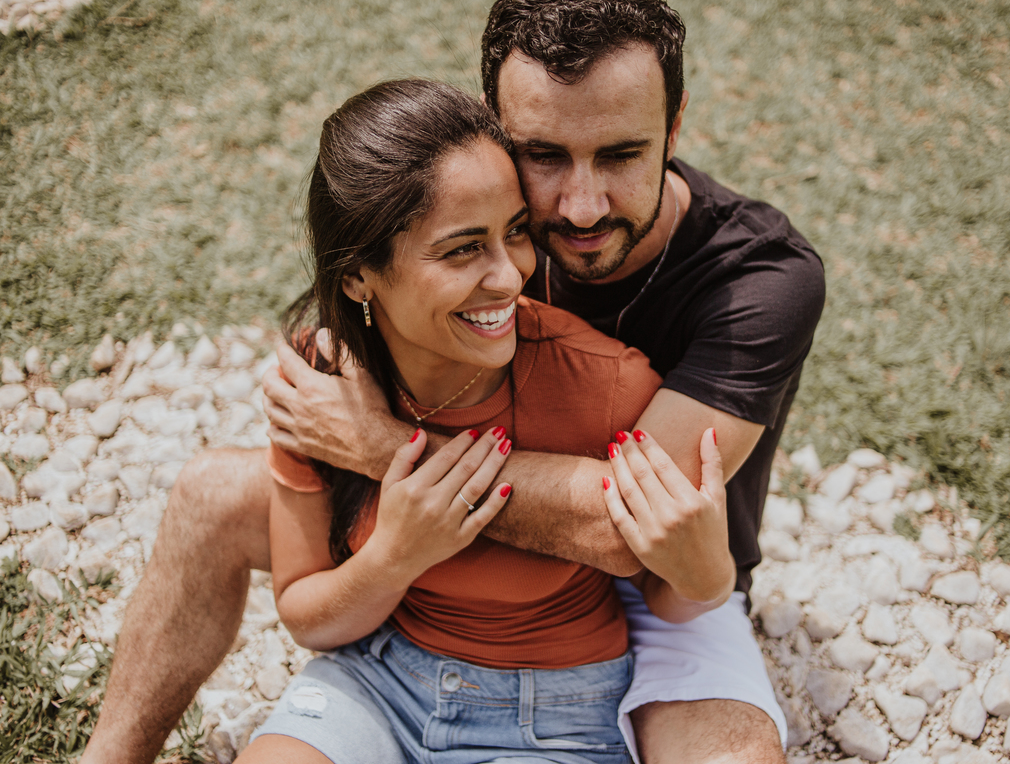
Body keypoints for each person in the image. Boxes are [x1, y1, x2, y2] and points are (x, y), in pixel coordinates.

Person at [82, 0, 824, 763]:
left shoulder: (761, 278)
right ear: (497, 134)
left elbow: (627, 529)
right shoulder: (482, 221)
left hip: (668, 573)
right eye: (543, 155)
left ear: (674, 127)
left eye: (621, 154)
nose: (580, 206)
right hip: (452, 544)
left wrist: (380, 446)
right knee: (210, 494)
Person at [233, 78, 729, 763]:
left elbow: (662, 586)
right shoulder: (321, 383)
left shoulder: (608, 386)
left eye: (515, 232)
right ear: (357, 275)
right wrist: (394, 557)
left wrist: (707, 576)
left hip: (554, 714)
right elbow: (306, 617)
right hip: (377, 681)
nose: (509, 275)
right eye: (464, 248)